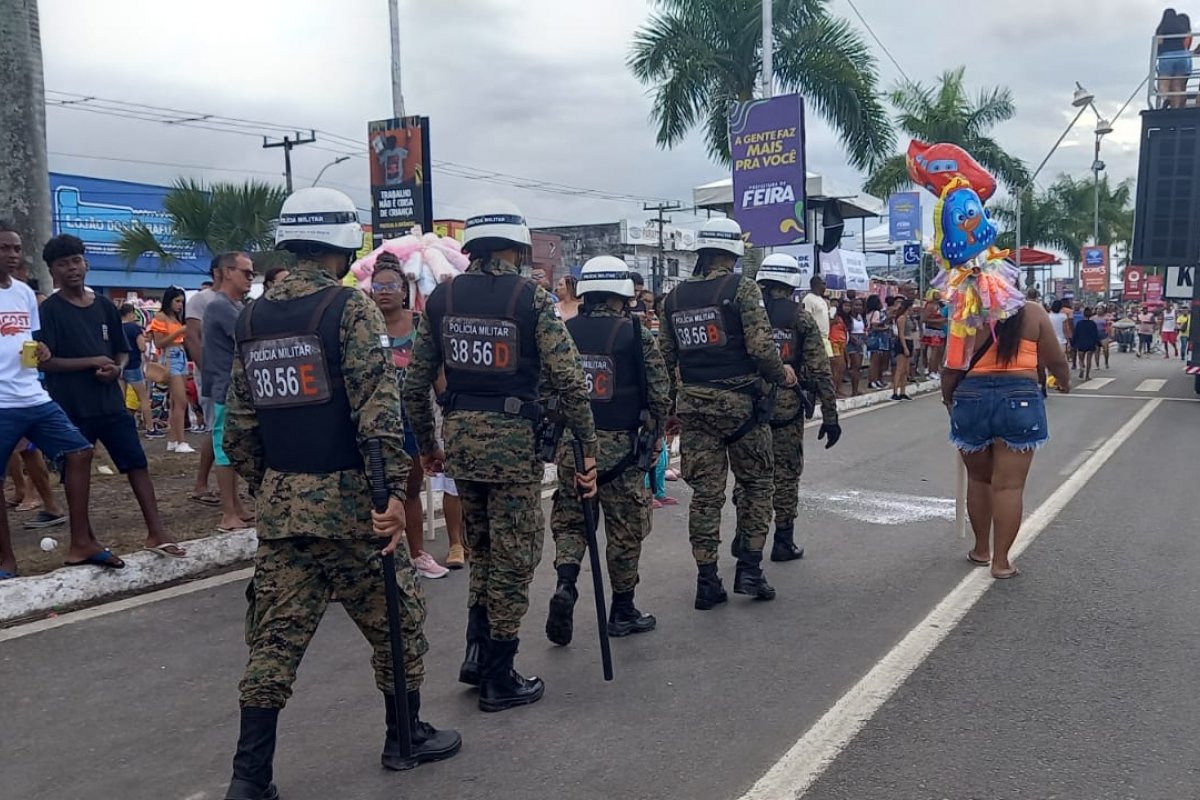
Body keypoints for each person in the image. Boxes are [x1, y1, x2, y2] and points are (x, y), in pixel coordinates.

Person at [222, 188, 460, 799]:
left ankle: (250, 780)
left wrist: (272, 489)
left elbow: (241, 426)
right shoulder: (346, 309)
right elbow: (375, 410)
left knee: (274, 640)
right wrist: (388, 496)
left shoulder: (251, 318)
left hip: (283, 510)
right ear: (340, 241)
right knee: (397, 621)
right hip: (355, 506)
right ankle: (403, 738)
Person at [402, 199, 598, 713]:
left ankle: (477, 654)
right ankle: (499, 676)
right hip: (513, 449)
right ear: (516, 249)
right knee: (514, 557)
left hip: (462, 444)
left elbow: (414, 385)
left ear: (472, 251)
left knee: (483, 550)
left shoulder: (442, 300)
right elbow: (570, 381)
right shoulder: (530, 300)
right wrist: (587, 448)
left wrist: (429, 447)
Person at [660, 217, 797, 609]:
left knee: (705, 495)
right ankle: (749, 571)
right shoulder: (743, 288)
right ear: (733, 254)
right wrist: (782, 374)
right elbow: (760, 347)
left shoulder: (674, 298)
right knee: (756, 486)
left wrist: (671, 407)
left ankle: (707, 581)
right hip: (743, 410)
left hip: (695, 410)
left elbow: (665, 360)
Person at [545, 255, 670, 645]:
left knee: (570, 521)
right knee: (625, 529)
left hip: (575, 448)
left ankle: (566, 582)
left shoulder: (563, 332)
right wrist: (657, 435)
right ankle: (622, 608)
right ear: (621, 293)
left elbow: (547, 392)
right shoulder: (636, 334)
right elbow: (660, 394)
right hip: (622, 450)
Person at [37, 235, 186, 559]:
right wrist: (91, 362)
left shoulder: (104, 306)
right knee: (76, 472)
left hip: (110, 402)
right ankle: (82, 540)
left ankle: (156, 531)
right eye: (63, 264)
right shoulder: (49, 310)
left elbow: (120, 351)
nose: (72, 269)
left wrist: (117, 370)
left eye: (76, 261)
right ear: (53, 271)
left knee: (136, 462)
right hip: (72, 405)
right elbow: (45, 361)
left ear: (85, 263)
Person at [0, 222, 108, 579]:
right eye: (5, 248)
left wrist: (41, 350)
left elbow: (31, 344)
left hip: (33, 394)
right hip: (1, 402)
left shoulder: (24, 294)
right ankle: (6, 561)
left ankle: (82, 543)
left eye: (16, 248)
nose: (13, 255)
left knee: (79, 452)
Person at [942, 295, 1071, 580]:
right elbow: (1055, 359)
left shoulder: (966, 312)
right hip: (1020, 396)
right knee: (1008, 488)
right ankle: (1001, 562)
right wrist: (1064, 381)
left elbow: (951, 365)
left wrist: (949, 399)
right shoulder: (1034, 312)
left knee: (978, 479)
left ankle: (980, 550)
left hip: (970, 396)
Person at [754, 254, 840, 562]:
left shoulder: (748, 315)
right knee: (786, 475)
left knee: (752, 476)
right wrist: (830, 416)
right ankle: (782, 540)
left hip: (749, 411)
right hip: (787, 410)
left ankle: (745, 537)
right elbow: (820, 370)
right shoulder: (800, 317)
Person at [370, 252, 448, 580]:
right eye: (378, 285)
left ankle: (418, 555)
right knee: (373, 493)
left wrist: (447, 408)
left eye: (391, 285)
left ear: (405, 289)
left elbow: (437, 373)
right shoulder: (362, 323)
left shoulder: (420, 324)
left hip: (413, 420)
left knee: (412, 489)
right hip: (373, 424)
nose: (384, 291)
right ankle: (373, 560)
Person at [201, 251, 256, 534]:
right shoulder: (221, 306)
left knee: (231, 449)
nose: (250, 278)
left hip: (233, 387)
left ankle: (237, 507)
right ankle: (228, 513)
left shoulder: (233, 305)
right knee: (224, 451)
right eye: (246, 273)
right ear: (228, 272)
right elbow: (248, 337)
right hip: (226, 387)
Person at [187, 261, 223, 497]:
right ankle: (202, 483)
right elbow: (191, 336)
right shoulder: (202, 299)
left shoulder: (234, 301)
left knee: (223, 428)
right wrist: (205, 370)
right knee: (215, 427)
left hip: (227, 373)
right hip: (212, 373)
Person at [148, 285, 195, 453]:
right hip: (170, 356)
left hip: (180, 355)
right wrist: (179, 333)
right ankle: (180, 441)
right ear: (169, 300)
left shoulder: (175, 318)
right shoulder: (161, 317)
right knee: (180, 401)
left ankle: (174, 439)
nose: (180, 305)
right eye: (177, 301)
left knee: (176, 401)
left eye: (182, 302)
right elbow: (159, 343)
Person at [119, 303, 160, 437]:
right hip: (133, 365)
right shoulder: (134, 328)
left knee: (121, 399)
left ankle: (122, 429)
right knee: (143, 398)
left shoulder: (116, 327)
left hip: (119, 367)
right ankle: (150, 428)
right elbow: (142, 347)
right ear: (130, 313)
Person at [1157, 8, 1192, 108]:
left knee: (1164, 82)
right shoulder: (1181, 27)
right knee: (1178, 84)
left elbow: (1159, 42)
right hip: (1182, 55)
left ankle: (1165, 99)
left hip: (1167, 56)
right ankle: (1176, 106)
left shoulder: (1162, 28)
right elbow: (1187, 40)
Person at [801, 275, 832, 358]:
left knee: (829, 363)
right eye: (823, 284)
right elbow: (806, 319)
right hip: (815, 338)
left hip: (825, 338)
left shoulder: (822, 300)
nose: (825, 287)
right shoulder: (808, 299)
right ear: (816, 284)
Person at [865, 294, 891, 389]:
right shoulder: (876, 313)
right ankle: (873, 380)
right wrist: (885, 327)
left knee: (877, 361)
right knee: (875, 361)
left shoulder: (869, 313)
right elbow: (874, 326)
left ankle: (876, 380)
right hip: (876, 338)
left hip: (874, 338)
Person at [891, 297, 915, 401]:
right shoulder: (901, 318)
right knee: (900, 369)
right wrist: (905, 347)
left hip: (909, 341)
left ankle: (903, 391)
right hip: (902, 342)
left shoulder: (909, 318)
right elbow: (900, 334)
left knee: (906, 370)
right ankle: (895, 391)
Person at [1072, 306, 1101, 382]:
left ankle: (1081, 368)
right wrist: (1098, 343)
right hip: (1090, 344)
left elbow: (1076, 334)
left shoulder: (1079, 323)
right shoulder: (1093, 324)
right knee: (1089, 360)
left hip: (1081, 344)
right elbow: (1095, 335)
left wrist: (1074, 344)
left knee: (1081, 359)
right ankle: (1087, 376)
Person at [828, 298, 850, 397]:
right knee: (837, 367)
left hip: (842, 343)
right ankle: (834, 390)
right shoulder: (831, 317)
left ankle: (838, 388)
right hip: (834, 343)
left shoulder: (842, 318)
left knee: (842, 367)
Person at [847, 296, 867, 396]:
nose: (858, 307)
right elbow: (847, 331)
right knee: (855, 366)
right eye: (856, 305)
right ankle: (854, 391)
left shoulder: (861, 318)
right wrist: (852, 338)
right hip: (852, 342)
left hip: (861, 342)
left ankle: (856, 389)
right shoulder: (849, 318)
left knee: (858, 367)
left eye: (860, 305)